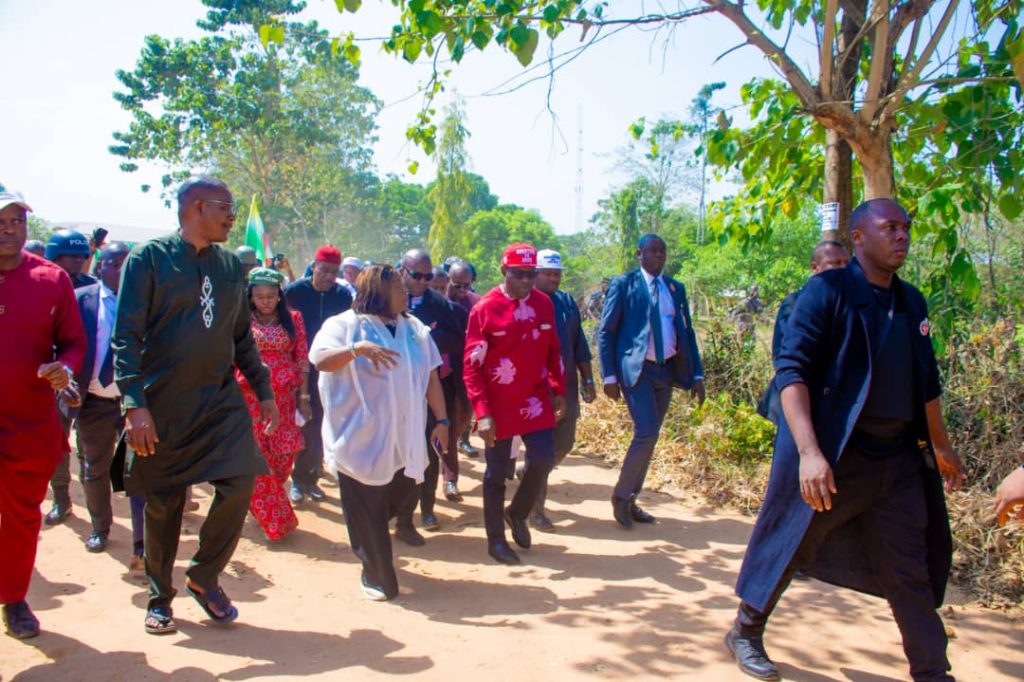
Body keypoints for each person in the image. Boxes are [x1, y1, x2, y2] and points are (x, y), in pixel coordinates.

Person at [726, 199, 967, 682]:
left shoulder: (912, 301)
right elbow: (791, 371)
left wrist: (940, 445)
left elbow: (927, 382)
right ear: (858, 237)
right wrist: (810, 454)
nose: (902, 236)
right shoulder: (827, 292)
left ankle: (932, 672)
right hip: (837, 453)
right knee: (795, 542)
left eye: (906, 228)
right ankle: (746, 630)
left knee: (910, 567)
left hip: (896, 458)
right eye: (890, 227)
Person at [113, 176, 279, 635]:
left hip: (219, 400)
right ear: (197, 207)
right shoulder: (148, 259)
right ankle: (159, 598)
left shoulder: (230, 266)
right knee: (164, 502)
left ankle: (204, 575)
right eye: (225, 208)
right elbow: (126, 335)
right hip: (161, 403)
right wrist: (134, 404)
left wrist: (263, 389)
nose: (231, 216)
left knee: (241, 480)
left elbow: (240, 335)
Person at [310, 264, 448, 601]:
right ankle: (376, 575)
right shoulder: (343, 325)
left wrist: (442, 422)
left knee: (401, 494)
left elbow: (431, 377)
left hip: (405, 438)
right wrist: (356, 350)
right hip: (360, 438)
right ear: (379, 291)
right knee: (368, 509)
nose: (406, 293)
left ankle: (369, 534)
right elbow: (320, 360)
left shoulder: (414, 329)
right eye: (400, 288)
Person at [0, 189, 87, 639]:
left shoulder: (51, 280)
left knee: (21, 516)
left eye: (16, 221)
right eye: (1, 222)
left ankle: (14, 599)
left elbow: (73, 342)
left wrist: (64, 367)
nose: (9, 229)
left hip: (28, 423)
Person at [463, 243, 566, 565]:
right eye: (518, 275)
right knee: (496, 474)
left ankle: (517, 513)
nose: (525, 281)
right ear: (503, 271)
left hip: (535, 398)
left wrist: (558, 387)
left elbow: (552, 349)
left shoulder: (543, 304)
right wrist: (482, 413)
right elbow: (471, 365)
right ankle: (496, 540)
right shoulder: (485, 309)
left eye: (530, 274)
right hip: (498, 403)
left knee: (544, 459)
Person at [598, 233, 704, 529]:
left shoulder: (675, 288)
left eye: (663, 250)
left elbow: (688, 332)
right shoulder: (624, 284)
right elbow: (606, 332)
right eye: (653, 250)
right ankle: (620, 496)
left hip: (666, 371)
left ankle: (631, 498)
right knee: (645, 432)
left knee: (652, 436)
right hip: (636, 370)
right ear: (639, 253)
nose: (659, 255)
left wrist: (696, 373)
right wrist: (608, 375)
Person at [395, 249, 466, 542]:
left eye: (428, 276)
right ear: (402, 271)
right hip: (393, 392)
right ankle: (398, 513)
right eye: (417, 276)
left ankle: (426, 510)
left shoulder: (441, 305)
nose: (423, 282)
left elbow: (458, 335)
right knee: (397, 453)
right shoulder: (385, 300)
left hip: (430, 388)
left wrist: (424, 341)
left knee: (429, 448)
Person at [68, 242, 134, 555]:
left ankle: (145, 539)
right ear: (100, 266)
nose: (120, 270)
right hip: (95, 401)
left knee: (143, 470)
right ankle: (100, 528)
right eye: (113, 263)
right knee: (95, 468)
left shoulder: (148, 303)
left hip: (137, 404)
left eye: (126, 263)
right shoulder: (82, 301)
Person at [236, 267, 310, 542]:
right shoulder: (241, 320)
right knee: (257, 459)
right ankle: (278, 522)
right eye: (259, 296)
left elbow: (302, 359)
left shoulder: (294, 319)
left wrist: (304, 398)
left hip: (284, 401)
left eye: (271, 296)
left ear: (280, 296)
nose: (266, 301)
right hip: (250, 399)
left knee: (282, 460)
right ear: (251, 297)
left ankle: (260, 503)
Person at [524, 249, 595, 530]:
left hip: (566, 387)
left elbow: (579, 344)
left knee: (565, 443)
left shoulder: (565, 301)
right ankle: (535, 510)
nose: (554, 278)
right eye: (548, 273)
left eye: (557, 273)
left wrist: (588, 379)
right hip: (537, 388)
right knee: (540, 448)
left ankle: (531, 473)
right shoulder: (527, 302)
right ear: (535, 274)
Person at [284, 245, 353, 505]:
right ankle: (295, 478)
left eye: (333, 272)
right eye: (323, 270)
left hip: (329, 369)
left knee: (318, 425)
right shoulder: (294, 292)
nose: (327, 276)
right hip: (297, 368)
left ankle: (308, 479)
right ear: (314, 267)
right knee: (298, 423)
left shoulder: (343, 295)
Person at [757, 240, 850, 423]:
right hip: (802, 401)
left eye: (847, 263)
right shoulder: (796, 303)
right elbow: (784, 356)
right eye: (836, 264)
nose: (843, 269)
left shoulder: (854, 305)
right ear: (815, 268)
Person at [43, 227, 99, 525]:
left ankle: (97, 515)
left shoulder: (94, 287)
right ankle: (62, 500)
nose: (76, 262)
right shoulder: (42, 287)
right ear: (54, 256)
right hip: (55, 379)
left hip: (88, 380)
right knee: (58, 442)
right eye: (69, 256)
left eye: (81, 256)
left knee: (88, 448)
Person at [446, 260, 481, 459]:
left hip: (466, 368)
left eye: (466, 285)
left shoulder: (476, 302)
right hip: (441, 369)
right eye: (457, 285)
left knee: (464, 414)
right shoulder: (437, 299)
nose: (462, 290)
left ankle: (460, 439)